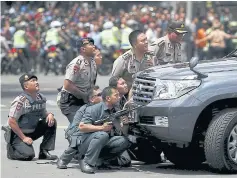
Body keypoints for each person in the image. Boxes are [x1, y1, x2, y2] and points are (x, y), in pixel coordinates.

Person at [2, 74, 57, 161]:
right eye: (33, 81)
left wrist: (50, 114)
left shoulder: (41, 98)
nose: (36, 82)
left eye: (36, 80)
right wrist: (24, 138)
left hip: (32, 130)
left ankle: (44, 152)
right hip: (18, 134)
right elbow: (11, 121)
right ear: (26, 86)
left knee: (51, 121)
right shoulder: (20, 101)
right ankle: (12, 151)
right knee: (28, 156)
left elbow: (43, 113)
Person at [78, 87, 130, 174]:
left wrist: (125, 124)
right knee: (103, 135)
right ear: (108, 98)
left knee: (124, 141)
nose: (119, 97)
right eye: (116, 95)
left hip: (103, 141)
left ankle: (100, 160)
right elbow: (82, 127)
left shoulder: (116, 110)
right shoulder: (94, 109)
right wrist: (102, 128)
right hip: (86, 143)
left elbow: (122, 132)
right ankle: (86, 162)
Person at [57, 86, 102, 169]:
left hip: (89, 131)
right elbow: (78, 128)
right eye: (99, 95)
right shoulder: (86, 109)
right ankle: (64, 159)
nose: (102, 96)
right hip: (75, 132)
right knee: (80, 137)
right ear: (92, 99)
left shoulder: (102, 108)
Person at [59, 37, 97, 123]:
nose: (94, 46)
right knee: (79, 125)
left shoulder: (92, 62)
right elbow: (67, 85)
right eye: (90, 45)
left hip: (84, 99)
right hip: (71, 101)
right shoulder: (76, 64)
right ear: (83, 49)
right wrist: (83, 95)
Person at [108, 76, 131, 167]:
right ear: (115, 88)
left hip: (120, 134)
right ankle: (102, 158)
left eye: (125, 83)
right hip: (110, 136)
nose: (125, 85)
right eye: (122, 84)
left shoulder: (124, 99)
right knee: (125, 161)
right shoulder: (110, 103)